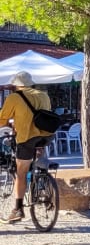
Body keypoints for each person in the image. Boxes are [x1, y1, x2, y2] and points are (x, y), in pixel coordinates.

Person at [0, 72, 54, 224]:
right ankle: (43, 181)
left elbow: (2, 118)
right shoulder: (43, 95)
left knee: (21, 172)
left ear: (16, 84)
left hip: (26, 138)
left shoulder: (14, 97)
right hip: (46, 136)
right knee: (37, 158)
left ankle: (18, 209)